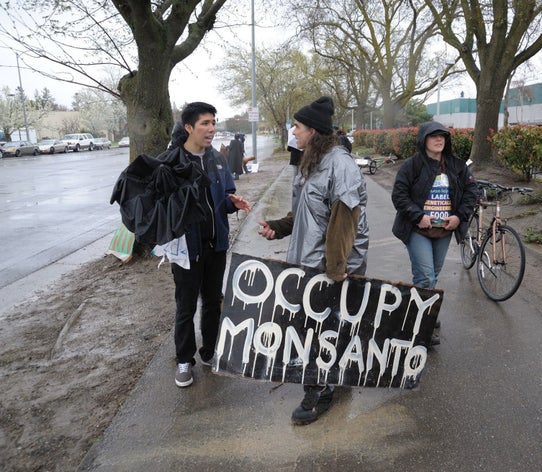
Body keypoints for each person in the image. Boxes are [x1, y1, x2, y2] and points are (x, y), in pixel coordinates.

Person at [258, 96, 369, 425]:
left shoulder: (340, 165)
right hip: (307, 262)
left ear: (314, 131)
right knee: (313, 327)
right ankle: (330, 377)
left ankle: (319, 391)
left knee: (323, 328)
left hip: (329, 266)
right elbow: (309, 212)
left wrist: (336, 271)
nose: (293, 131)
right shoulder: (312, 161)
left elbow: (346, 222)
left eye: (297, 127)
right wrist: (279, 227)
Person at [158, 102, 251, 388]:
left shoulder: (217, 159)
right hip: (186, 249)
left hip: (216, 245)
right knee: (186, 306)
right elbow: (161, 206)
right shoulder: (171, 163)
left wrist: (233, 203)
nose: (211, 129)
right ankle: (184, 360)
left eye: (213, 122)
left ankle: (210, 351)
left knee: (212, 301)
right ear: (189, 127)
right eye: (205, 123)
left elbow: (224, 197)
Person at [391, 121, 478, 344]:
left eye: (443, 136)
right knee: (425, 276)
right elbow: (399, 195)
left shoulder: (457, 166)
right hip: (417, 229)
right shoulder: (412, 165)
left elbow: (471, 192)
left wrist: (458, 216)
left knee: (431, 276)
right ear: (424, 140)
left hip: (444, 231)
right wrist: (418, 216)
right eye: (434, 136)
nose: (439, 140)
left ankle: (423, 313)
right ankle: (421, 328)